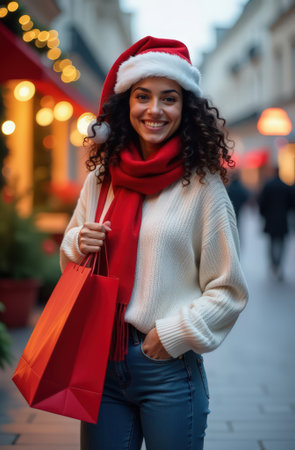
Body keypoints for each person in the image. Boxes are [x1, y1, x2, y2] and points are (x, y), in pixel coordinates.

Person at [60, 36, 248, 450]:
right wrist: (77, 242)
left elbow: (230, 289)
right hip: (101, 363)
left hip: (166, 365)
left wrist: (173, 333)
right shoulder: (100, 179)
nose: (155, 110)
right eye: (143, 96)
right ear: (126, 104)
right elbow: (69, 257)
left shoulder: (203, 187)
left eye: (169, 98)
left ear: (186, 109)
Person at [258, 167, 293, 281]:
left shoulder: (268, 186)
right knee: (282, 243)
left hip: (271, 219)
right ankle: (279, 264)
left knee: (271, 243)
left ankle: (273, 264)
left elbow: (262, 202)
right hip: (282, 219)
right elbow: (292, 203)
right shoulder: (285, 186)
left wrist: (263, 214)